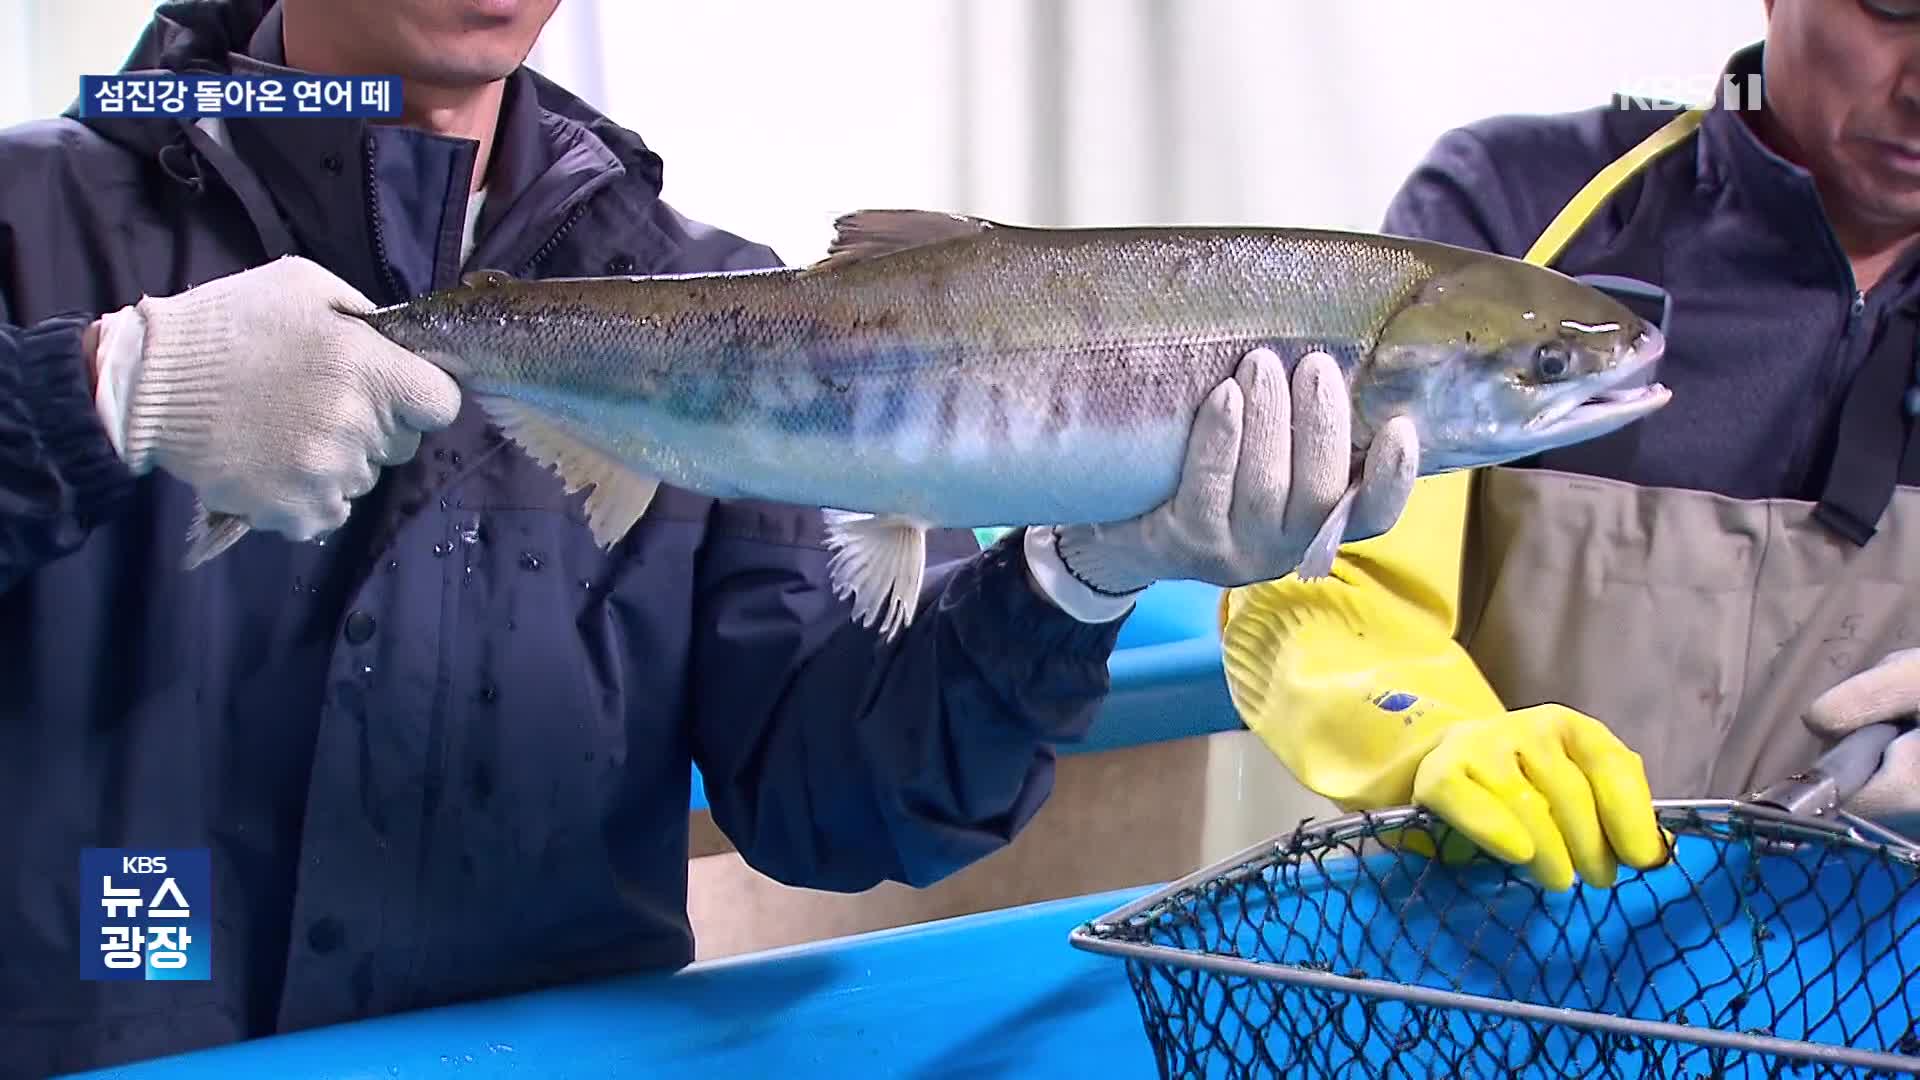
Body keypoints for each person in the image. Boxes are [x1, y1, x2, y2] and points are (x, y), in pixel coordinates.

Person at [0, 0, 1419, 1074]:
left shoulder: (715, 303)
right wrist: (98, 393)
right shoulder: (32, 219)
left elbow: (831, 796)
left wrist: (1084, 574)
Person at [1221, 0, 1920, 898]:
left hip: (1865, 1001)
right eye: (1894, 7)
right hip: (1494, 971)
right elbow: (1317, 580)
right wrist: (1431, 733)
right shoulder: (1518, 213)